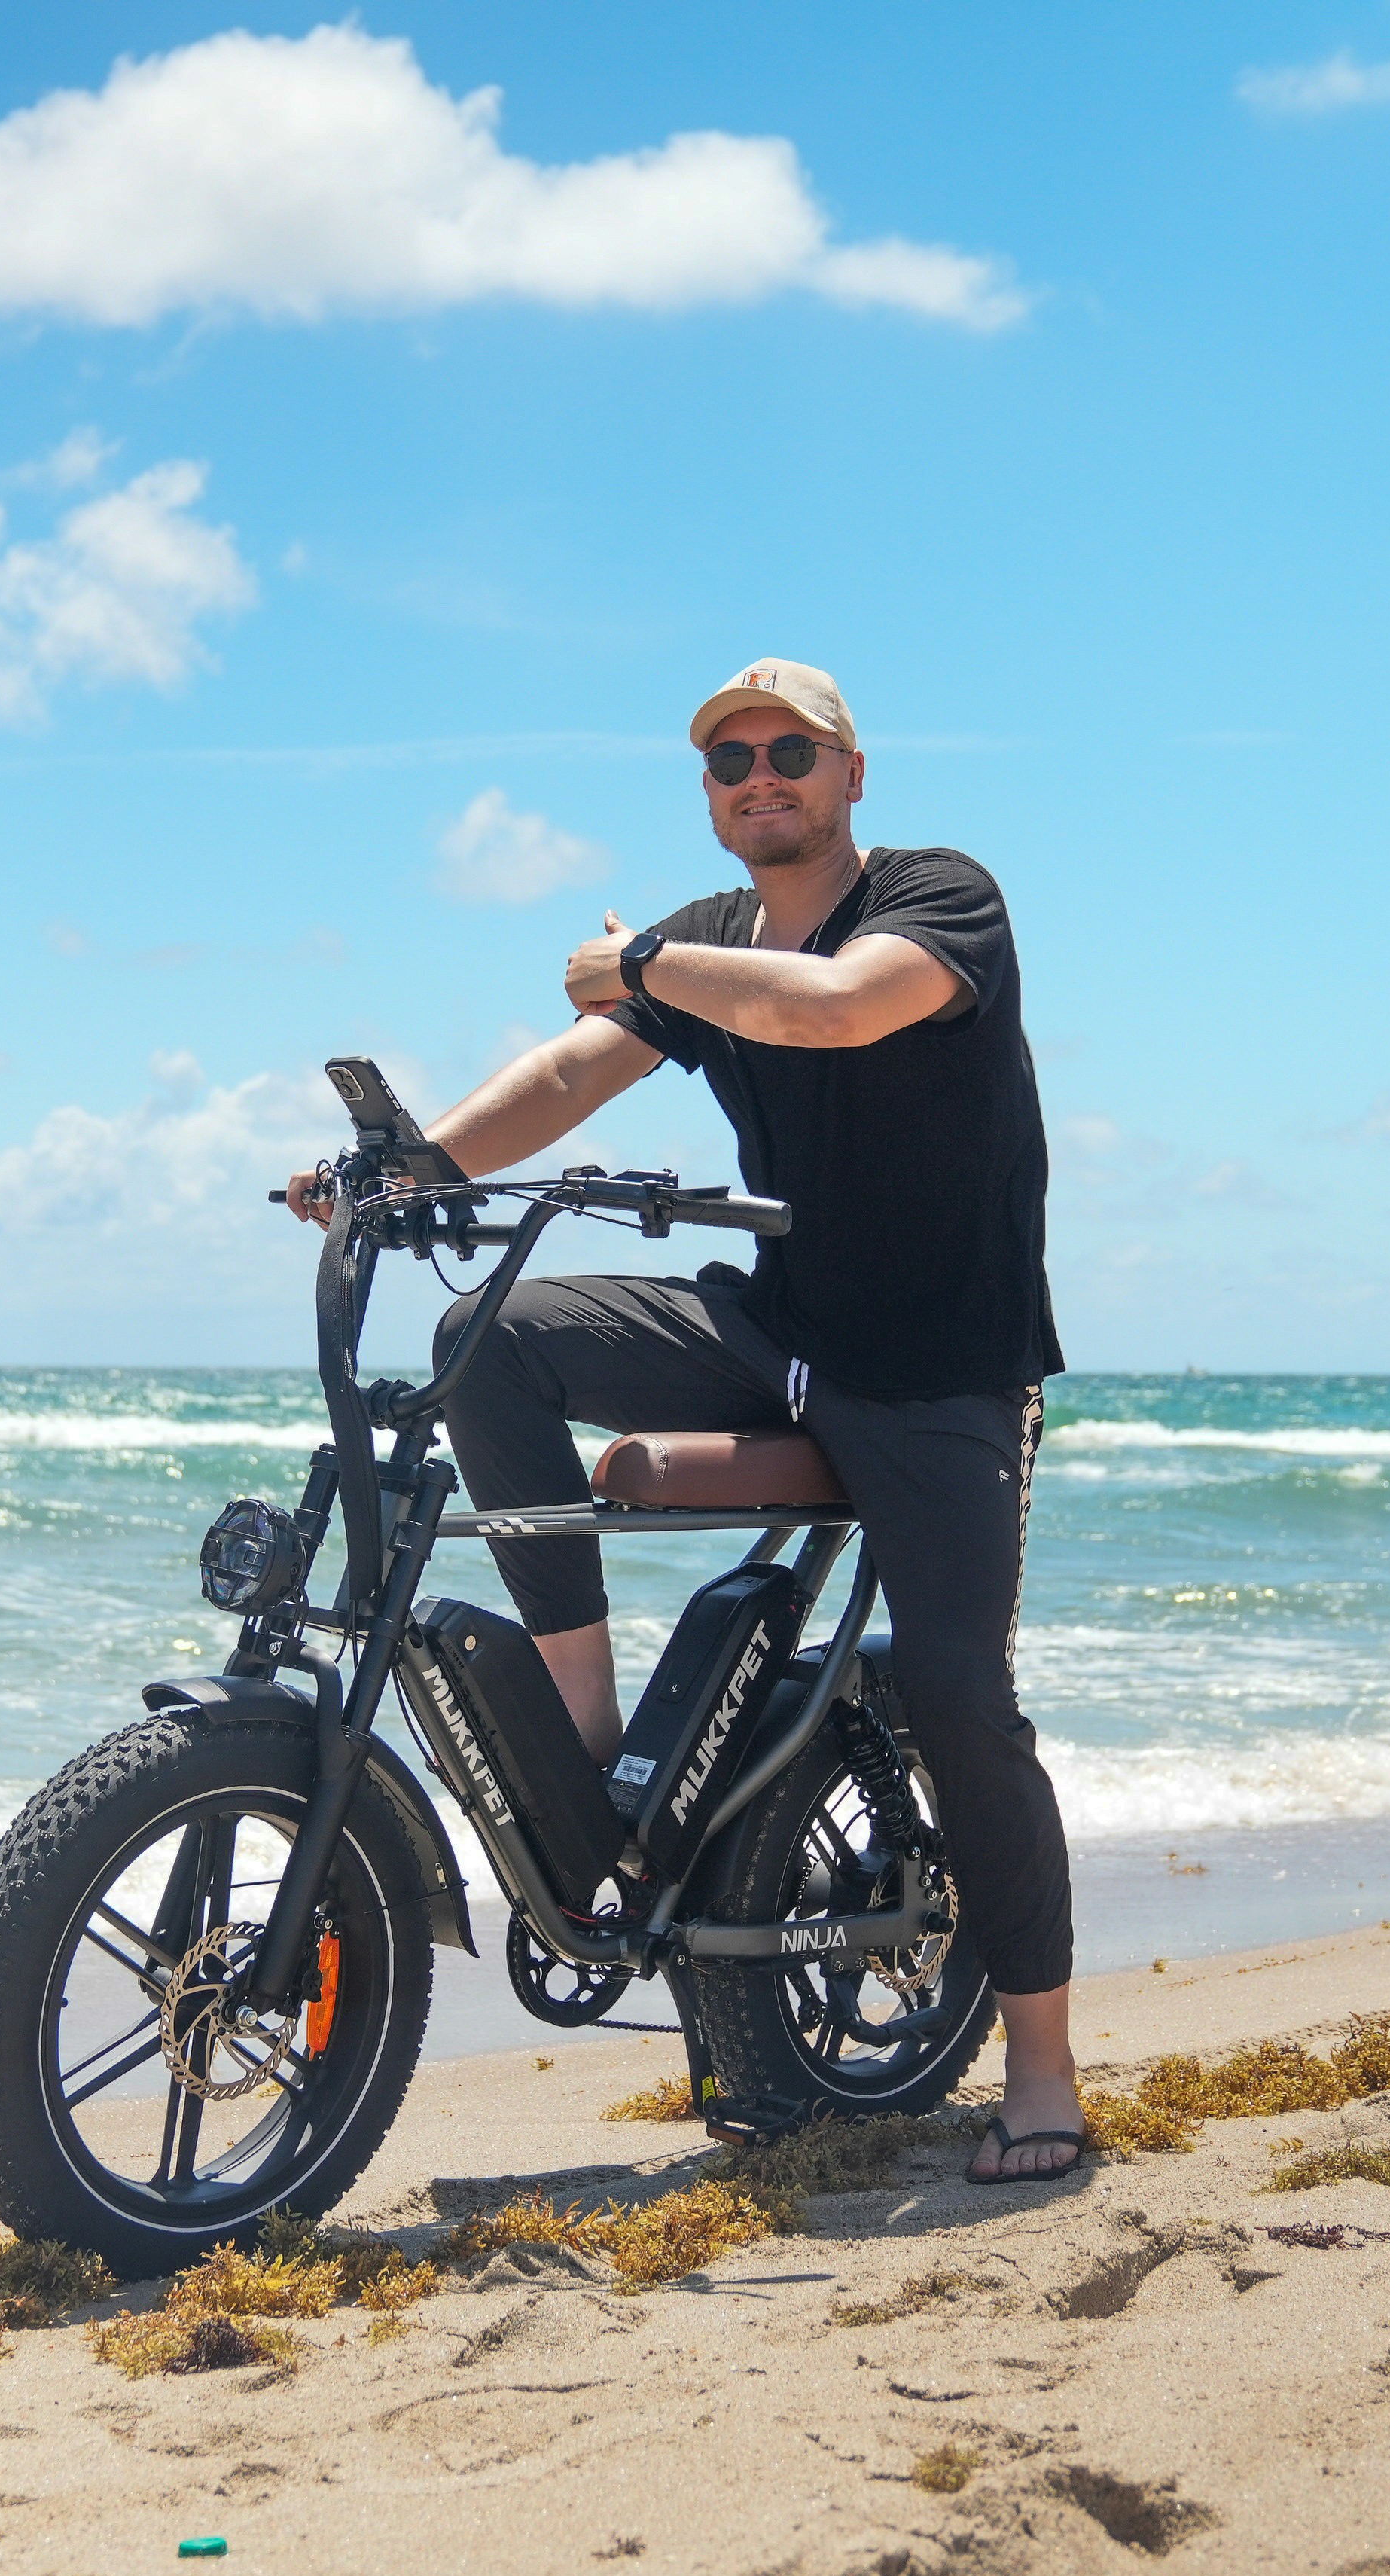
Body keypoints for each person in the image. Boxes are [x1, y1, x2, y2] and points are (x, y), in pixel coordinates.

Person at [285, 658, 1078, 2184]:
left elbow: (843, 1010)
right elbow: (575, 1072)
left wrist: (645, 960)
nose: (760, 775)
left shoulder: (938, 897)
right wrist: (409, 1169)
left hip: (940, 1373)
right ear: (710, 797)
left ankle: (1040, 2063)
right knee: (488, 1341)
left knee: (967, 1701)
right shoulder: (707, 944)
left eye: (791, 751)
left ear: (853, 774)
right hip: (778, 1332)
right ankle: (586, 1749)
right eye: (730, 761)